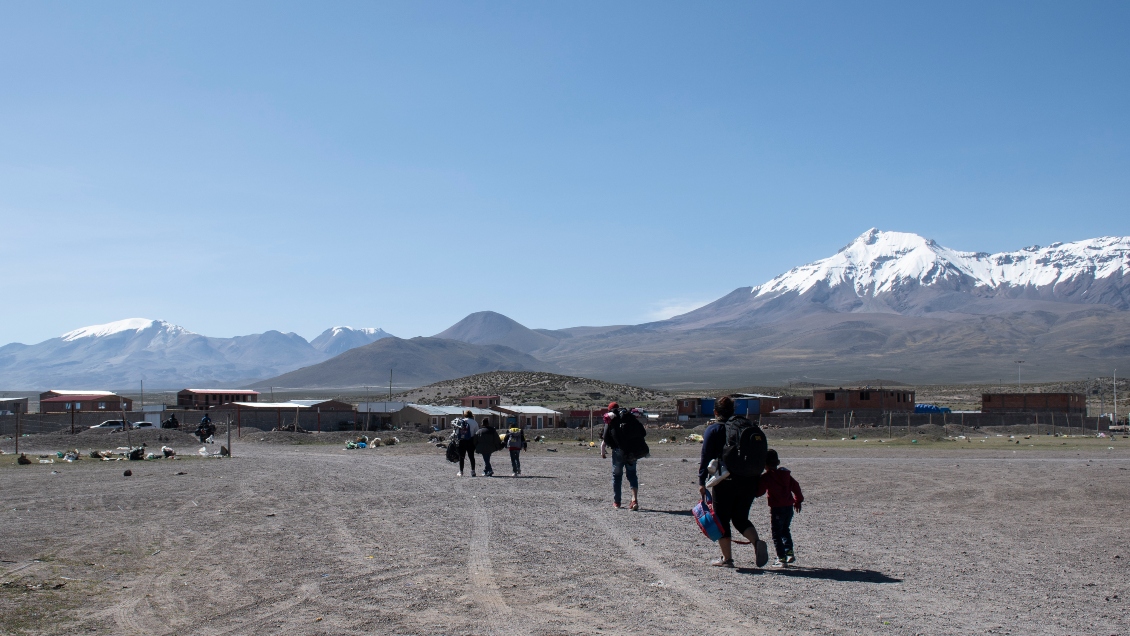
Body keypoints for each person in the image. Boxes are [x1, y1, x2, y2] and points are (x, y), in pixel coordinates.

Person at [698, 396, 769, 568]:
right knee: (740, 518)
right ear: (733, 411)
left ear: (715, 412)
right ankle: (756, 542)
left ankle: (727, 559)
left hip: (724, 481)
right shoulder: (744, 427)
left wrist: (701, 481)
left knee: (722, 519)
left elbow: (706, 457)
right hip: (749, 479)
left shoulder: (714, 430)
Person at [756, 449, 804, 567]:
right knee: (785, 530)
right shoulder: (785, 474)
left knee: (776, 533)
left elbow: (759, 492)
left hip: (777, 509)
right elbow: (796, 486)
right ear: (778, 462)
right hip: (789, 507)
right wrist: (798, 500)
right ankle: (789, 552)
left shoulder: (767, 477)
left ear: (764, 464)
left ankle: (781, 558)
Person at [601, 402, 645, 510]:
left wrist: (605, 450)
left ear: (609, 409)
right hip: (632, 451)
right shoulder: (629, 416)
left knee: (617, 476)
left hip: (618, 451)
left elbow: (605, 437)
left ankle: (617, 502)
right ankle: (634, 500)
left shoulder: (611, 418)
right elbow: (643, 432)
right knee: (632, 475)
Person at [453, 411, 479, 477]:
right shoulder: (474, 422)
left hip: (462, 441)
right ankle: (473, 471)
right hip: (470, 441)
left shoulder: (461, 421)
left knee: (461, 457)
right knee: (471, 457)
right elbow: (477, 433)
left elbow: (457, 432)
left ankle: (461, 471)